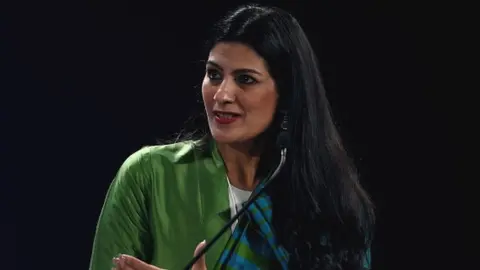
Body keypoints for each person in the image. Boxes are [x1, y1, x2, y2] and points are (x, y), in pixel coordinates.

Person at [90, 4, 375, 270]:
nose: (222, 95)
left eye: (245, 79)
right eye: (214, 75)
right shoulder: (149, 176)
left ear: (287, 94)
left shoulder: (331, 205)